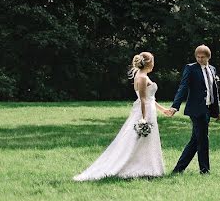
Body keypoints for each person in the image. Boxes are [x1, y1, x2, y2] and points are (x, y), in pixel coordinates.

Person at [74, 52, 172, 181]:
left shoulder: (141, 75)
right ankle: (136, 168)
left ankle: (149, 168)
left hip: (149, 110)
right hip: (145, 112)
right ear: (149, 63)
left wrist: (163, 110)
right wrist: (143, 119)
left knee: (145, 141)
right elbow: (143, 100)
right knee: (136, 140)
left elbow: (150, 98)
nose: (154, 64)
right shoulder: (142, 78)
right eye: (153, 61)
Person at [168, 44, 220, 174]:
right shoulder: (191, 69)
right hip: (196, 109)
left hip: (208, 109)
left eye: (203, 57)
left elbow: (214, 91)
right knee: (203, 139)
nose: (200, 59)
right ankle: (205, 170)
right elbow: (183, 87)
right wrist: (175, 106)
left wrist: (217, 111)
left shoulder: (212, 69)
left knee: (196, 140)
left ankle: (179, 169)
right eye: (198, 56)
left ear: (208, 57)